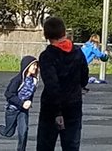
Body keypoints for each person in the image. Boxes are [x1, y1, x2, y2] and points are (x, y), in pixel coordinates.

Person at [36, 16, 90, 151]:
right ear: (64, 32)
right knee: (71, 145)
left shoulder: (47, 56)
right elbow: (85, 75)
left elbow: (52, 85)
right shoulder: (77, 52)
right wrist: (81, 86)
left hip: (51, 108)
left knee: (45, 145)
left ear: (46, 35)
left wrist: (57, 112)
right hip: (73, 105)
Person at [0, 55, 39, 150]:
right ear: (26, 66)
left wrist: (29, 102)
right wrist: (22, 103)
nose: (35, 67)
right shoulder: (17, 80)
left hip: (23, 111)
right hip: (12, 109)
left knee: (24, 131)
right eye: (33, 65)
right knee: (8, 133)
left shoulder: (34, 81)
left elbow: (30, 94)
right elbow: (8, 94)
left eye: (36, 65)